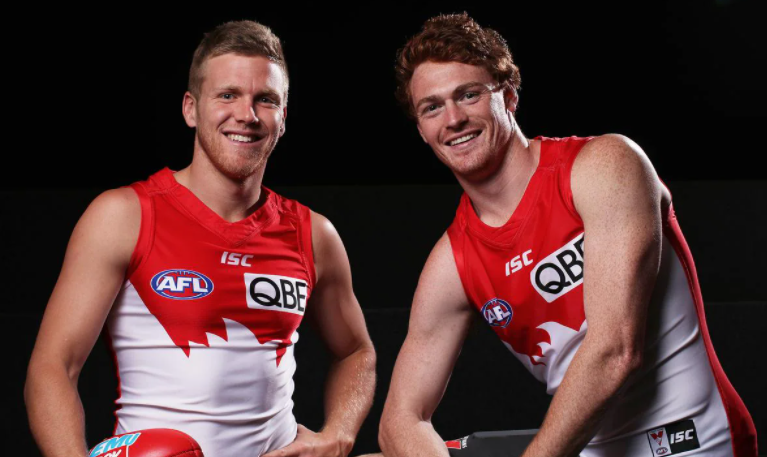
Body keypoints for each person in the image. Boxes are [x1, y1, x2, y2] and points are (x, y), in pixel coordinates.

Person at [377, 13, 757, 457]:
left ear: (509, 97)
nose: (454, 118)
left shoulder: (604, 167)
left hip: (689, 439)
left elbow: (615, 349)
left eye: (469, 95)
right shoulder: (451, 261)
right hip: (582, 449)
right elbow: (400, 420)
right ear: (422, 131)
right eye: (432, 107)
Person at [25, 20, 376, 457]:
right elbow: (53, 367)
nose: (246, 115)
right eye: (227, 95)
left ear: (282, 118)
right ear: (191, 108)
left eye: (265, 100)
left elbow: (356, 352)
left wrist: (338, 434)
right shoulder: (124, 215)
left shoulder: (313, 233)